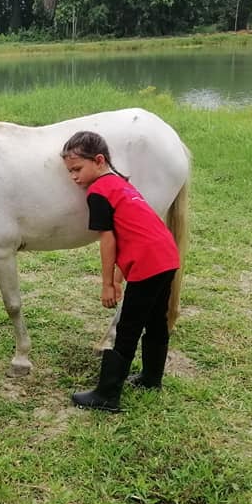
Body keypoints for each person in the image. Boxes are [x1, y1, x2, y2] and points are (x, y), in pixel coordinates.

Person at [61, 130, 180, 411]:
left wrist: (107, 284)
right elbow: (132, 233)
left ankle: (107, 394)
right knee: (155, 320)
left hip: (148, 262)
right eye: (69, 171)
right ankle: (152, 377)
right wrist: (117, 278)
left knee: (127, 328)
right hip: (166, 255)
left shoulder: (99, 192)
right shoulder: (121, 184)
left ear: (99, 160)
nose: (73, 177)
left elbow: (109, 239)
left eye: (77, 169)